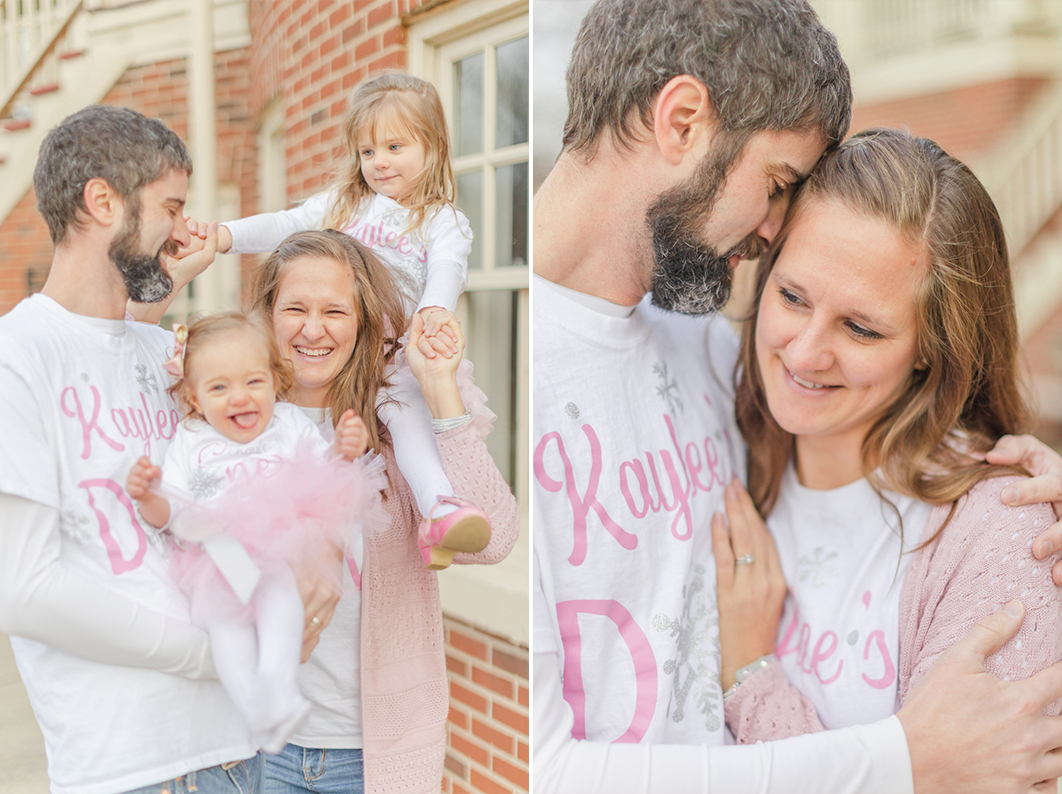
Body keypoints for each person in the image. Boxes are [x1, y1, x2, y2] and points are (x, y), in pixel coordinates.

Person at [532, 1, 1062, 792]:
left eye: (862, 328)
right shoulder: (500, 373)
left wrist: (1031, 493)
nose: (806, 351)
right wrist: (903, 763)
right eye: (777, 185)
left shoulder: (711, 359)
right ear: (681, 122)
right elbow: (541, 772)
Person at [711, 129, 1062, 753]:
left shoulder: (1001, 536)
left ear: (932, 348)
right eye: (792, 296)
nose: (806, 351)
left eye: (861, 329)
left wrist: (752, 676)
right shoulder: (717, 443)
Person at [0, 105, 264, 793]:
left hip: (237, 747)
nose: (184, 228)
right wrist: (207, 655)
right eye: (170, 207)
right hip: (132, 767)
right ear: (102, 201)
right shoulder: (16, 358)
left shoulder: (157, 349)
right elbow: (23, 590)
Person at [243, 230, 518, 794]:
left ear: (365, 321)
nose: (312, 329)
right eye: (294, 307)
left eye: (334, 311)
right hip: (254, 747)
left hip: (369, 756)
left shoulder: (396, 428)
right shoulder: (238, 422)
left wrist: (440, 387)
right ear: (268, 315)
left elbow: (494, 541)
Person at [181, 70, 489, 571]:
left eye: (394, 146)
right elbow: (284, 223)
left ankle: (439, 510)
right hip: (337, 345)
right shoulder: (344, 204)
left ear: (432, 147)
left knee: (406, 413)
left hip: (392, 351)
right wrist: (224, 236)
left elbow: (448, 266)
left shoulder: (440, 220)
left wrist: (435, 307)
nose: (379, 162)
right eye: (368, 152)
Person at [126, 311, 383, 753]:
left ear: (275, 380)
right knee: (225, 628)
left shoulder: (287, 424)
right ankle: (254, 710)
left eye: (253, 382)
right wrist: (148, 495)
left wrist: (344, 450)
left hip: (277, 551)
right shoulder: (190, 438)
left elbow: (324, 477)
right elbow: (172, 511)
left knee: (280, 596)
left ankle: (278, 691)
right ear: (192, 397)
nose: (239, 398)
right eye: (219, 387)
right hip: (218, 554)